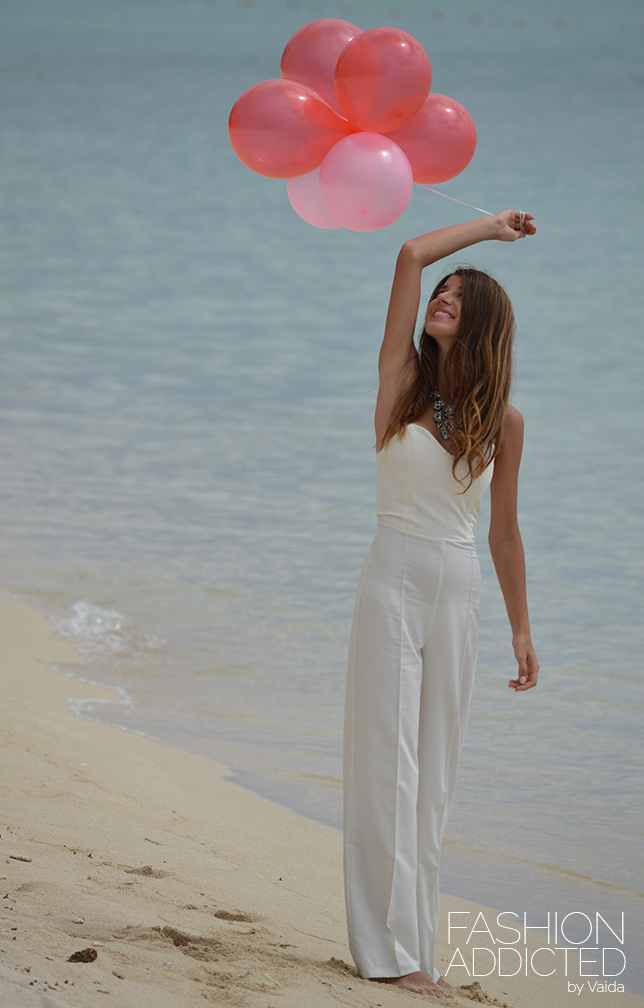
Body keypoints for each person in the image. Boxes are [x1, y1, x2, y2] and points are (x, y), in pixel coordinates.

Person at [343, 210, 540, 998]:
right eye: (441, 293)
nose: (442, 297)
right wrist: (489, 230)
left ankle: (416, 946)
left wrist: (524, 629)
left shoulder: (505, 422)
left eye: (459, 296)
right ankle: (386, 954)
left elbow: (504, 534)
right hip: (390, 577)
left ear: (484, 319)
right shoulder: (400, 379)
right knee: (387, 763)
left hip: (458, 592)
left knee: (435, 778)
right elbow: (410, 252)